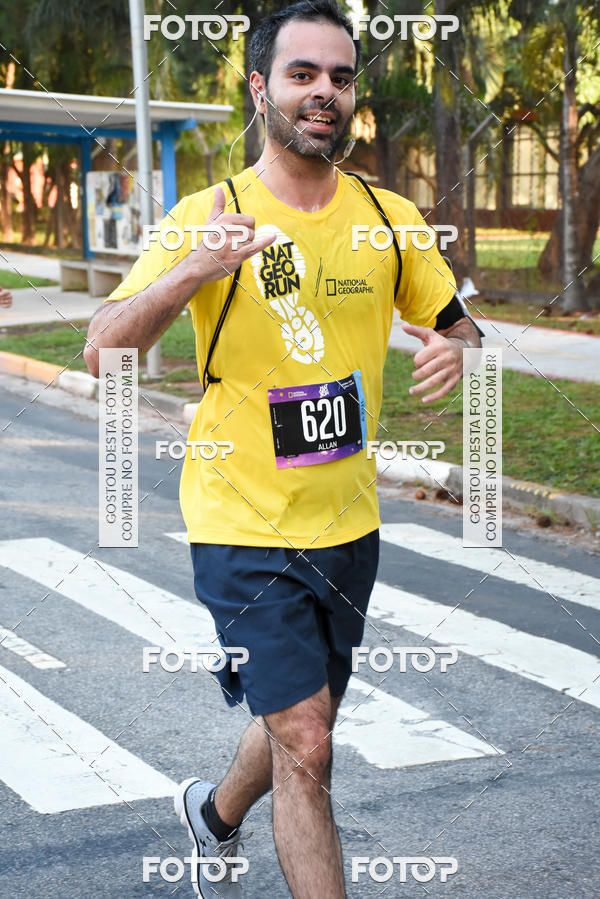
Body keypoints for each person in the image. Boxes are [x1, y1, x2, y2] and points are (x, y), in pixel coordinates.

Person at [84, 2, 482, 895]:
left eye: (341, 78)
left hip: (348, 519)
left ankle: (214, 813)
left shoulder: (392, 217)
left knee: (301, 716)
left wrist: (459, 347)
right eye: (304, 74)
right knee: (308, 733)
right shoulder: (209, 212)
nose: (325, 94)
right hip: (240, 520)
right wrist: (193, 269)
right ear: (261, 88)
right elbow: (103, 347)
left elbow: (463, 326)